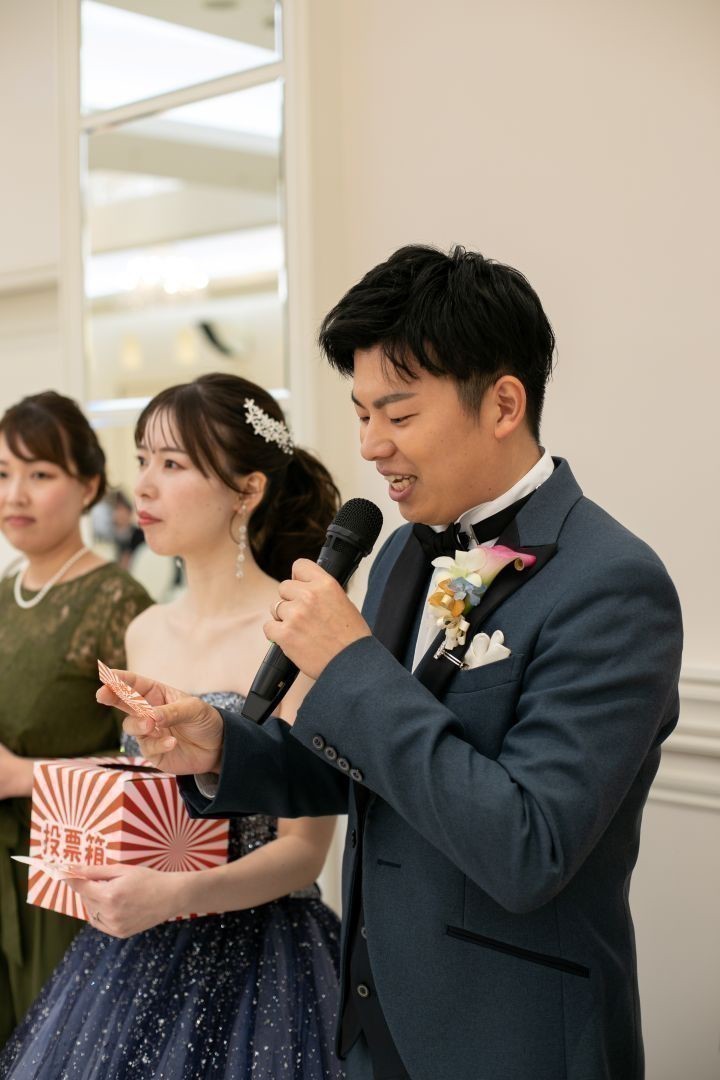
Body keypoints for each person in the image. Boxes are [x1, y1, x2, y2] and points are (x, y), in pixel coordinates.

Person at [98, 248, 682, 1080]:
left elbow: (529, 845)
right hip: (374, 1025)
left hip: (510, 1037)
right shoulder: (406, 552)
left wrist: (349, 664)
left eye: (398, 415)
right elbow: (370, 766)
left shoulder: (612, 582)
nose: (371, 445)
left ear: (504, 404)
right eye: (361, 413)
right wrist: (222, 745)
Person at [0, 374, 345, 1080]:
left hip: (260, 954)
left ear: (247, 490)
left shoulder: (297, 630)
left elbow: (304, 852)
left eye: (173, 463)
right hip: (134, 946)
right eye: (142, 460)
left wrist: (177, 897)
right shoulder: (146, 630)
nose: (145, 486)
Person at [0, 391, 152, 1045]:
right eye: (3, 473)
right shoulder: (4, 592)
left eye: (40, 474)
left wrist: (23, 775)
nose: (15, 494)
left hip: (61, 878)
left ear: (88, 486)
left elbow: (155, 764)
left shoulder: (117, 601)